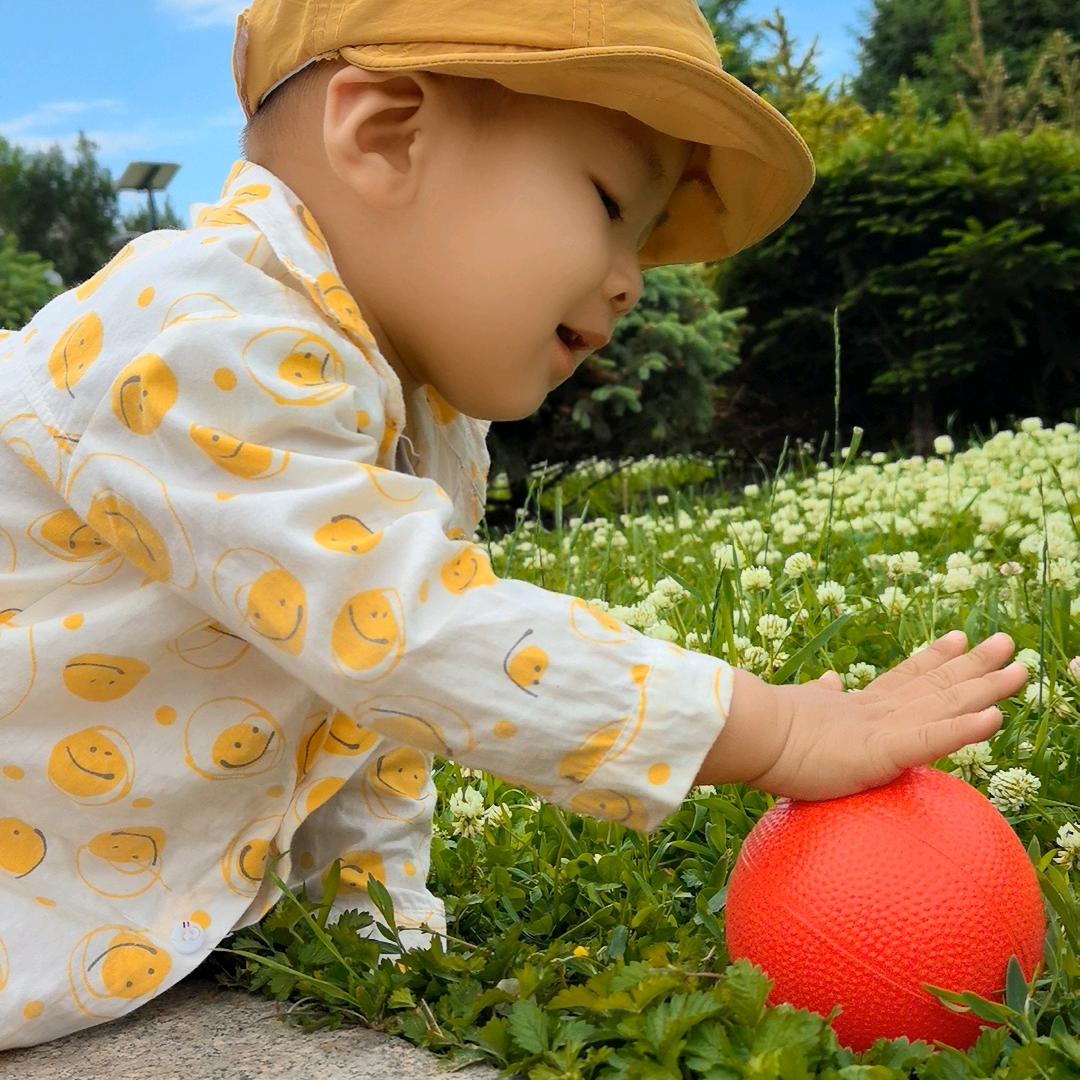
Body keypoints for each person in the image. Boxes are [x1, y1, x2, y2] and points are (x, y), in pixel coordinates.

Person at [0, 0, 1028, 1052]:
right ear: (385, 138)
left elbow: (370, 710)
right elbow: (406, 633)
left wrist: (382, 944)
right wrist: (782, 730)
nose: (632, 277)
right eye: (608, 202)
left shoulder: (426, 421)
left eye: (647, 237)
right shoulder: (199, 335)